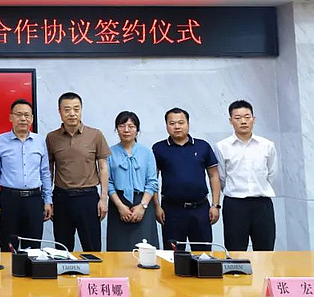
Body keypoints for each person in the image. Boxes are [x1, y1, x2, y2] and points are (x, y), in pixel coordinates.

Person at [46, 92, 110, 252]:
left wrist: (103, 199)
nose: (72, 114)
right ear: (60, 111)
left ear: (81, 110)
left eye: (76, 109)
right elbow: (48, 170)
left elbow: (103, 167)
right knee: (62, 250)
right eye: (67, 109)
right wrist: (47, 200)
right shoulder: (52, 138)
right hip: (61, 198)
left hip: (88, 198)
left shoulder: (95, 135)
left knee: (92, 248)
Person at [0, 98, 52, 252]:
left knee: (33, 249)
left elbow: (45, 172)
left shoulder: (40, 141)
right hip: (9, 200)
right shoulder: (0, 141)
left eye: (27, 115)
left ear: (32, 118)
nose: (23, 118)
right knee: (8, 247)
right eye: (19, 114)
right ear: (11, 117)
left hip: (34, 200)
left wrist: (48, 200)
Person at [153, 107, 221, 251]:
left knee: (203, 255)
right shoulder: (158, 148)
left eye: (181, 122)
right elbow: (152, 179)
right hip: (172, 211)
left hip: (200, 209)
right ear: (166, 126)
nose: (177, 127)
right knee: (173, 256)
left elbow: (214, 175)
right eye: (172, 123)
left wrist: (215, 205)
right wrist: (157, 206)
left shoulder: (202, 146)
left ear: (188, 124)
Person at [216, 100, 278, 251]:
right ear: (230, 121)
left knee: (265, 250)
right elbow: (221, 177)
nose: (243, 121)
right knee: (235, 251)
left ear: (253, 119)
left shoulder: (267, 145)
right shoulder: (222, 146)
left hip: (262, 204)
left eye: (247, 117)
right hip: (235, 205)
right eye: (237, 118)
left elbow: (271, 173)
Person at [106, 111, 159, 251]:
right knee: (119, 249)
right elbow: (108, 182)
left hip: (143, 202)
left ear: (137, 130)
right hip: (118, 202)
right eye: (122, 126)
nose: (126, 130)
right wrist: (120, 206)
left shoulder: (147, 152)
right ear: (116, 129)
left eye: (131, 126)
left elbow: (152, 182)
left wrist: (142, 206)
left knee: (145, 249)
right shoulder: (109, 153)